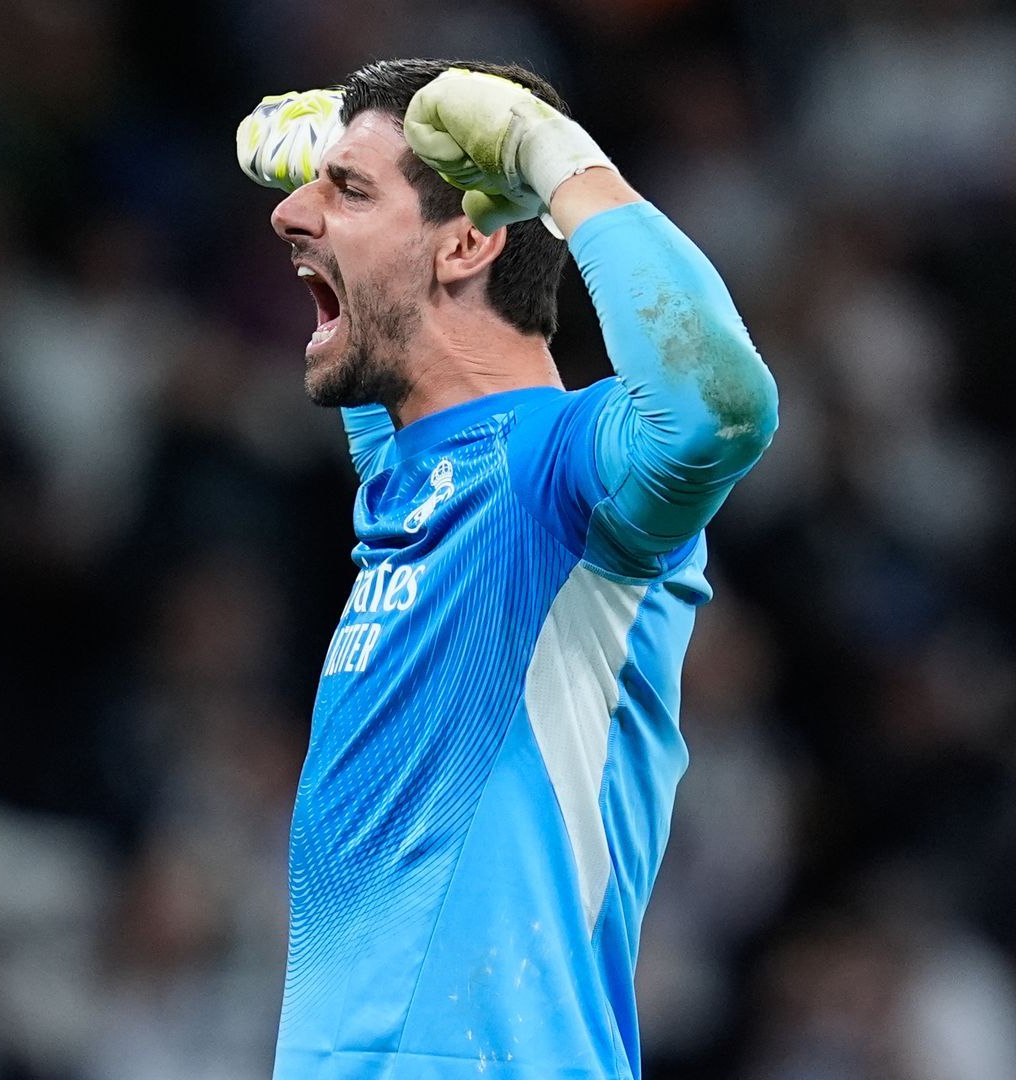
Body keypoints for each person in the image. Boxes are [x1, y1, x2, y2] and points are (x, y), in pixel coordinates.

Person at [232, 59, 779, 1079]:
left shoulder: (562, 470)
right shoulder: (403, 477)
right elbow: (387, 330)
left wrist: (556, 159)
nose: (288, 215)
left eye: (346, 191)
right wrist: (337, 157)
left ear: (472, 240)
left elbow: (721, 406)